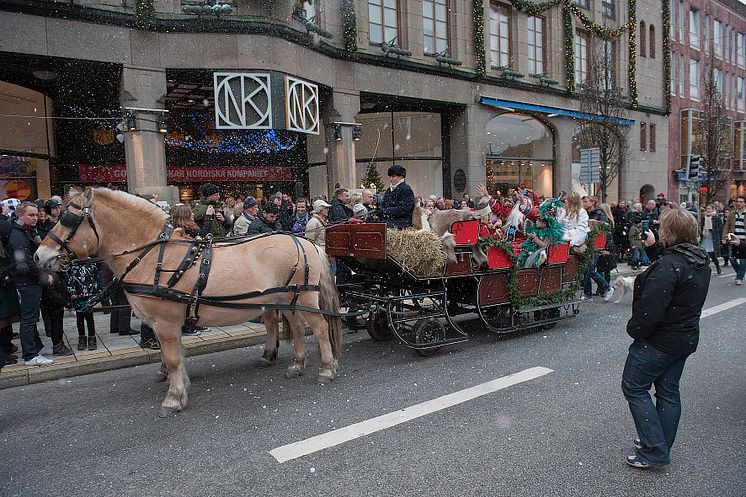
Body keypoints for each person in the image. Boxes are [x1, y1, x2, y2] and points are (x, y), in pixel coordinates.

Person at [622, 207, 710, 468]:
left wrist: (635, 331)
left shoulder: (670, 266)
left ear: (669, 233)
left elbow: (650, 312)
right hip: (683, 338)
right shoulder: (698, 259)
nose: (659, 230)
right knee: (668, 392)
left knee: (634, 387)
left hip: (659, 341)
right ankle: (659, 442)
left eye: (662, 228)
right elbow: (673, 267)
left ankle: (654, 450)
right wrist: (653, 250)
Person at [8, 202, 54, 366]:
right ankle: (30, 355)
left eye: (36, 214)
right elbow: (26, 260)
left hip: (29, 283)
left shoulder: (26, 231)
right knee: (29, 320)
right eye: (31, 215)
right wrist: (43, 276)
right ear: (20, 216)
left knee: (31, 319)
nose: (35, 218)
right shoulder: (18, 234)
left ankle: (35, 349)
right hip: (27, 284)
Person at [581, 196, 613, 302]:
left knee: (589, 270)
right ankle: (588, 294)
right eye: (583, 202)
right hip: (589, 244)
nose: (584, 203)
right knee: (587, 270)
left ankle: (607, 288)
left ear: (593, 202)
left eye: (586, 202)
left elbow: (605, 230)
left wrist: (606, 247)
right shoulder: (586, 213)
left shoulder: (599, 214)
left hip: (595, 245)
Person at [66, 262, 101, 350]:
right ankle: (82, 339)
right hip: (78, 297)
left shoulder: (92, 265)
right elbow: (70, 280)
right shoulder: (73, 267)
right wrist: (72, 292)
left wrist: (96, 293)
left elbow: (96, 279)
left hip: (89, 297)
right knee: (80, 318)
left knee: (90, 318)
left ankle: (92, 338)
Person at [380, 164, 415, 229]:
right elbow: (384, 204)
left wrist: (385, 211)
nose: (391, 179)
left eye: (393, 176)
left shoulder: (406, 189)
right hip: (390, 219)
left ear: (401, 177)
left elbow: (403, 209)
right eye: (390, 177)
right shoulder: (388, 190)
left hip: (402, 221)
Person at [722, 196, 746, 285]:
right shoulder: (732, 214)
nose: (738, 203)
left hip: (743, 241)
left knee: (743, 260)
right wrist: (724, 238)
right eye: (737, 201)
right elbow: (726, 226)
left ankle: (740, 277)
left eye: (741, 202)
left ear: (744, 203)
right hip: (733, 239)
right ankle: (740, 272)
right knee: (731, 258)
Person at [700, 203, 723, 275]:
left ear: (713, 209)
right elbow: (701, 226)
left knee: (712, 254)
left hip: (713, 238)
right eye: (707, 209)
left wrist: (721, 238)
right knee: (704, 252)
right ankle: (705, 269)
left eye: (709, 209)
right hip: (705, 236)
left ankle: (717, 266)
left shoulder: (716, 218)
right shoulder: (704, 218)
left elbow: (720, 228)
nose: (708, 210)